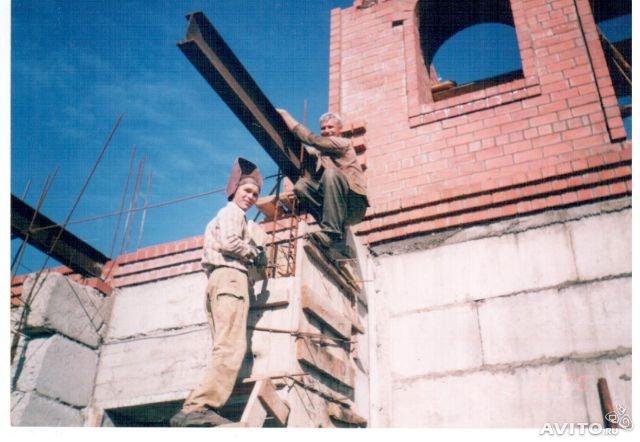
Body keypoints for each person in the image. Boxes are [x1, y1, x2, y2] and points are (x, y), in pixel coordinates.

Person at [170, 158, 267, 427]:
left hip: (220, 281)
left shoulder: (225, 215)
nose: (251, 197)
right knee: (231, 347)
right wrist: (255, 253)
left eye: (255, 194)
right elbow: (230, 242)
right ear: (235, 190)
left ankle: (193, 408)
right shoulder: (232, 213)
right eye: (247, 191)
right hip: (231, 279)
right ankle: (199, 406)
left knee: (223, 346)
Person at [276, 109, 368, 255]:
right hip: (338, 209)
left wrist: (285, 116)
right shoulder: (322, 153)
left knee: (330, 174)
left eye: (330, 127)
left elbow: (312, 140)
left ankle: (331, 233)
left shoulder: (343, 143)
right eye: (323, 128)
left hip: (354, 205)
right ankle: (333, 231)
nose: (326, 131)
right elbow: (308, 149)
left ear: (340, 130)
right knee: (301, 186)